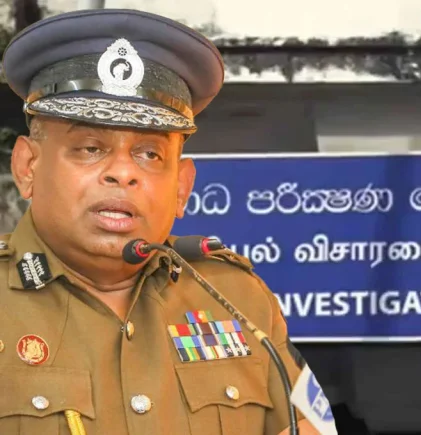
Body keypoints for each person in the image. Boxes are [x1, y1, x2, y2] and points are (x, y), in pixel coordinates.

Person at [0, 9, 322, 435]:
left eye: (149, 154)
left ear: (182, 187)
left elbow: (312, 425)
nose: (123, 173)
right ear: (28, 167)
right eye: (90, 148)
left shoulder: (237, 299)